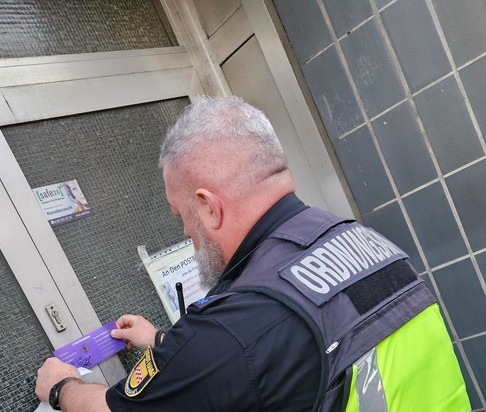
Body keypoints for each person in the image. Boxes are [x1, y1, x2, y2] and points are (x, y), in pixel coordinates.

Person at [36, 96, 470, 411]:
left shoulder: (239, 326)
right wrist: (163, 344)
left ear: (209, 207)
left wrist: (61, 387)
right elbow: (296, 349)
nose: (185, 232)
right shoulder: (363, 242)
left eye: (182, 215)